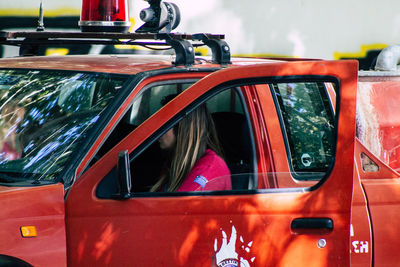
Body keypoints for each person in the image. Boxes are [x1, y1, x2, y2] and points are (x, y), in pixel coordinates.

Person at [151, 95, 231, 192]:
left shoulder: (210, 168)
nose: (157, 130)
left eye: (165, 123)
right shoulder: (173, 163)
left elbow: (178, 205)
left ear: (183, 128)